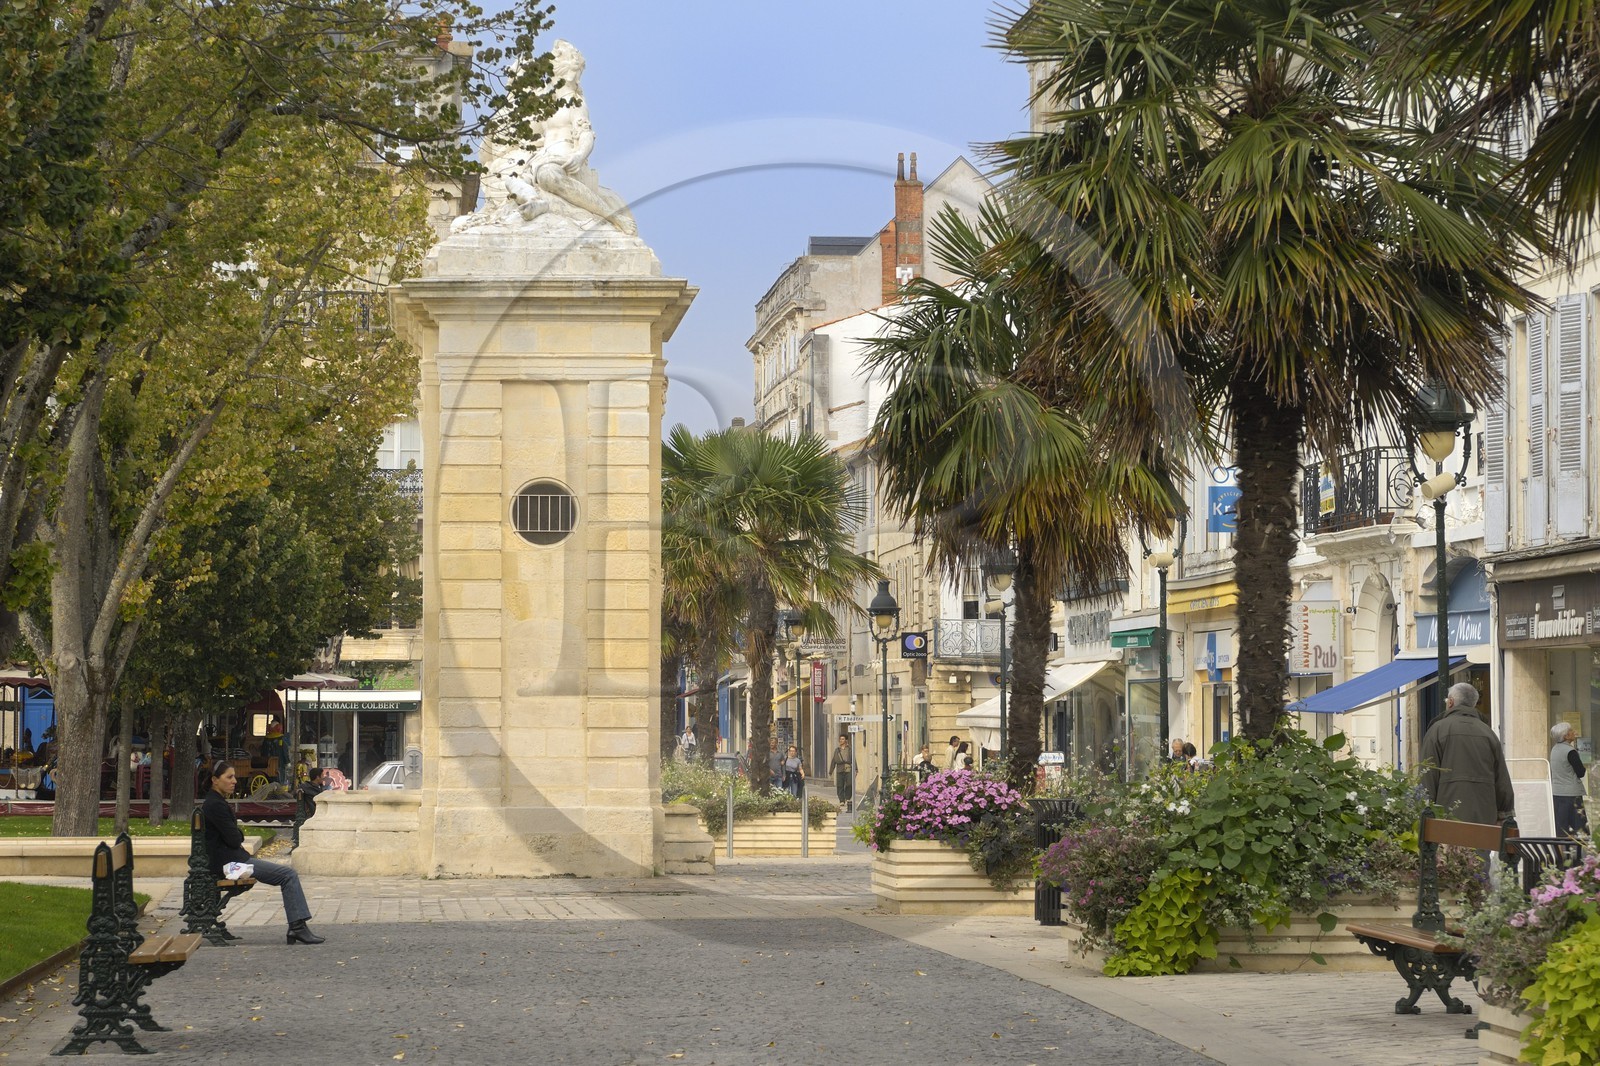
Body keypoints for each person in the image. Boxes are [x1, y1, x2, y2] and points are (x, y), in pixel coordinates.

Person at [202, 760, 325, 945]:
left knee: (287, 874)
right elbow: (235, 839)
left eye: (234, 776)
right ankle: (297, 928)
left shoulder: (215, 802)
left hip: (231, 862)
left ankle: (297, 927)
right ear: (214, 780)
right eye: (229, 777)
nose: (234, 780)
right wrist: (238, 834)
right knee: (288, 875)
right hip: (230, 867)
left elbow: (233, 836)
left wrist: (237, 834)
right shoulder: (215, 805)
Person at [1420, 682, 1515, 826]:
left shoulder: (1437, 730)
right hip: (1484, 817)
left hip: (1447, 815)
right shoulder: (1488, 732)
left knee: (1450, 848)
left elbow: (1427, 775)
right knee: (1480, 847)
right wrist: (1504, 814)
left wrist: (1424, 810)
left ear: (1451, 702)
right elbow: (1501, 779)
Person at [1550, 722, 1590, 839]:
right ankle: (1578, 856)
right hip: (1572, 794)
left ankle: (1563, 855)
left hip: (1557, 793)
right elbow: (1581, 772)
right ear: (1565, 736)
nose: (1574, 733)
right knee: (1579, 829)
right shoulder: (1570, 751)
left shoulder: (1554, 750)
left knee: (1562, 829)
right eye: (1571, 731)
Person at [828, 735, 853, 808]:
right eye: (840, 739)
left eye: (842, 739)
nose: (841, 741)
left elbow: (853, 759)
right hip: (839, 768)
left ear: (846, 740)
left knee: (849, 784)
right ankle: (841, 800)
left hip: (848, 768)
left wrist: (856, 769)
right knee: (840, 785)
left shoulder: (849, 749)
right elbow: (834, 760)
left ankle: (848, 797)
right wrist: (831, 771)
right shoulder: (837, 750)